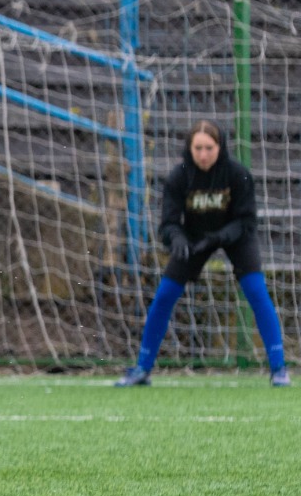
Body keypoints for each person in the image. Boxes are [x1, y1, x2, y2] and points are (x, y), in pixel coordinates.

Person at [116, 119, 289, 387]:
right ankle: (142, 368)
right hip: (194, 240)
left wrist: (218, 237)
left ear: (220, 147)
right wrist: (177, 238)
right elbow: (168, 223)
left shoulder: (237, 174)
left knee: (256, 290)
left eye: (209, 148)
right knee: (164, 296)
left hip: (236, 236)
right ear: (189, 148)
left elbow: (246, 220)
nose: (203, 154)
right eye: (198, 148)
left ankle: (278, 368)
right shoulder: (178, 177)